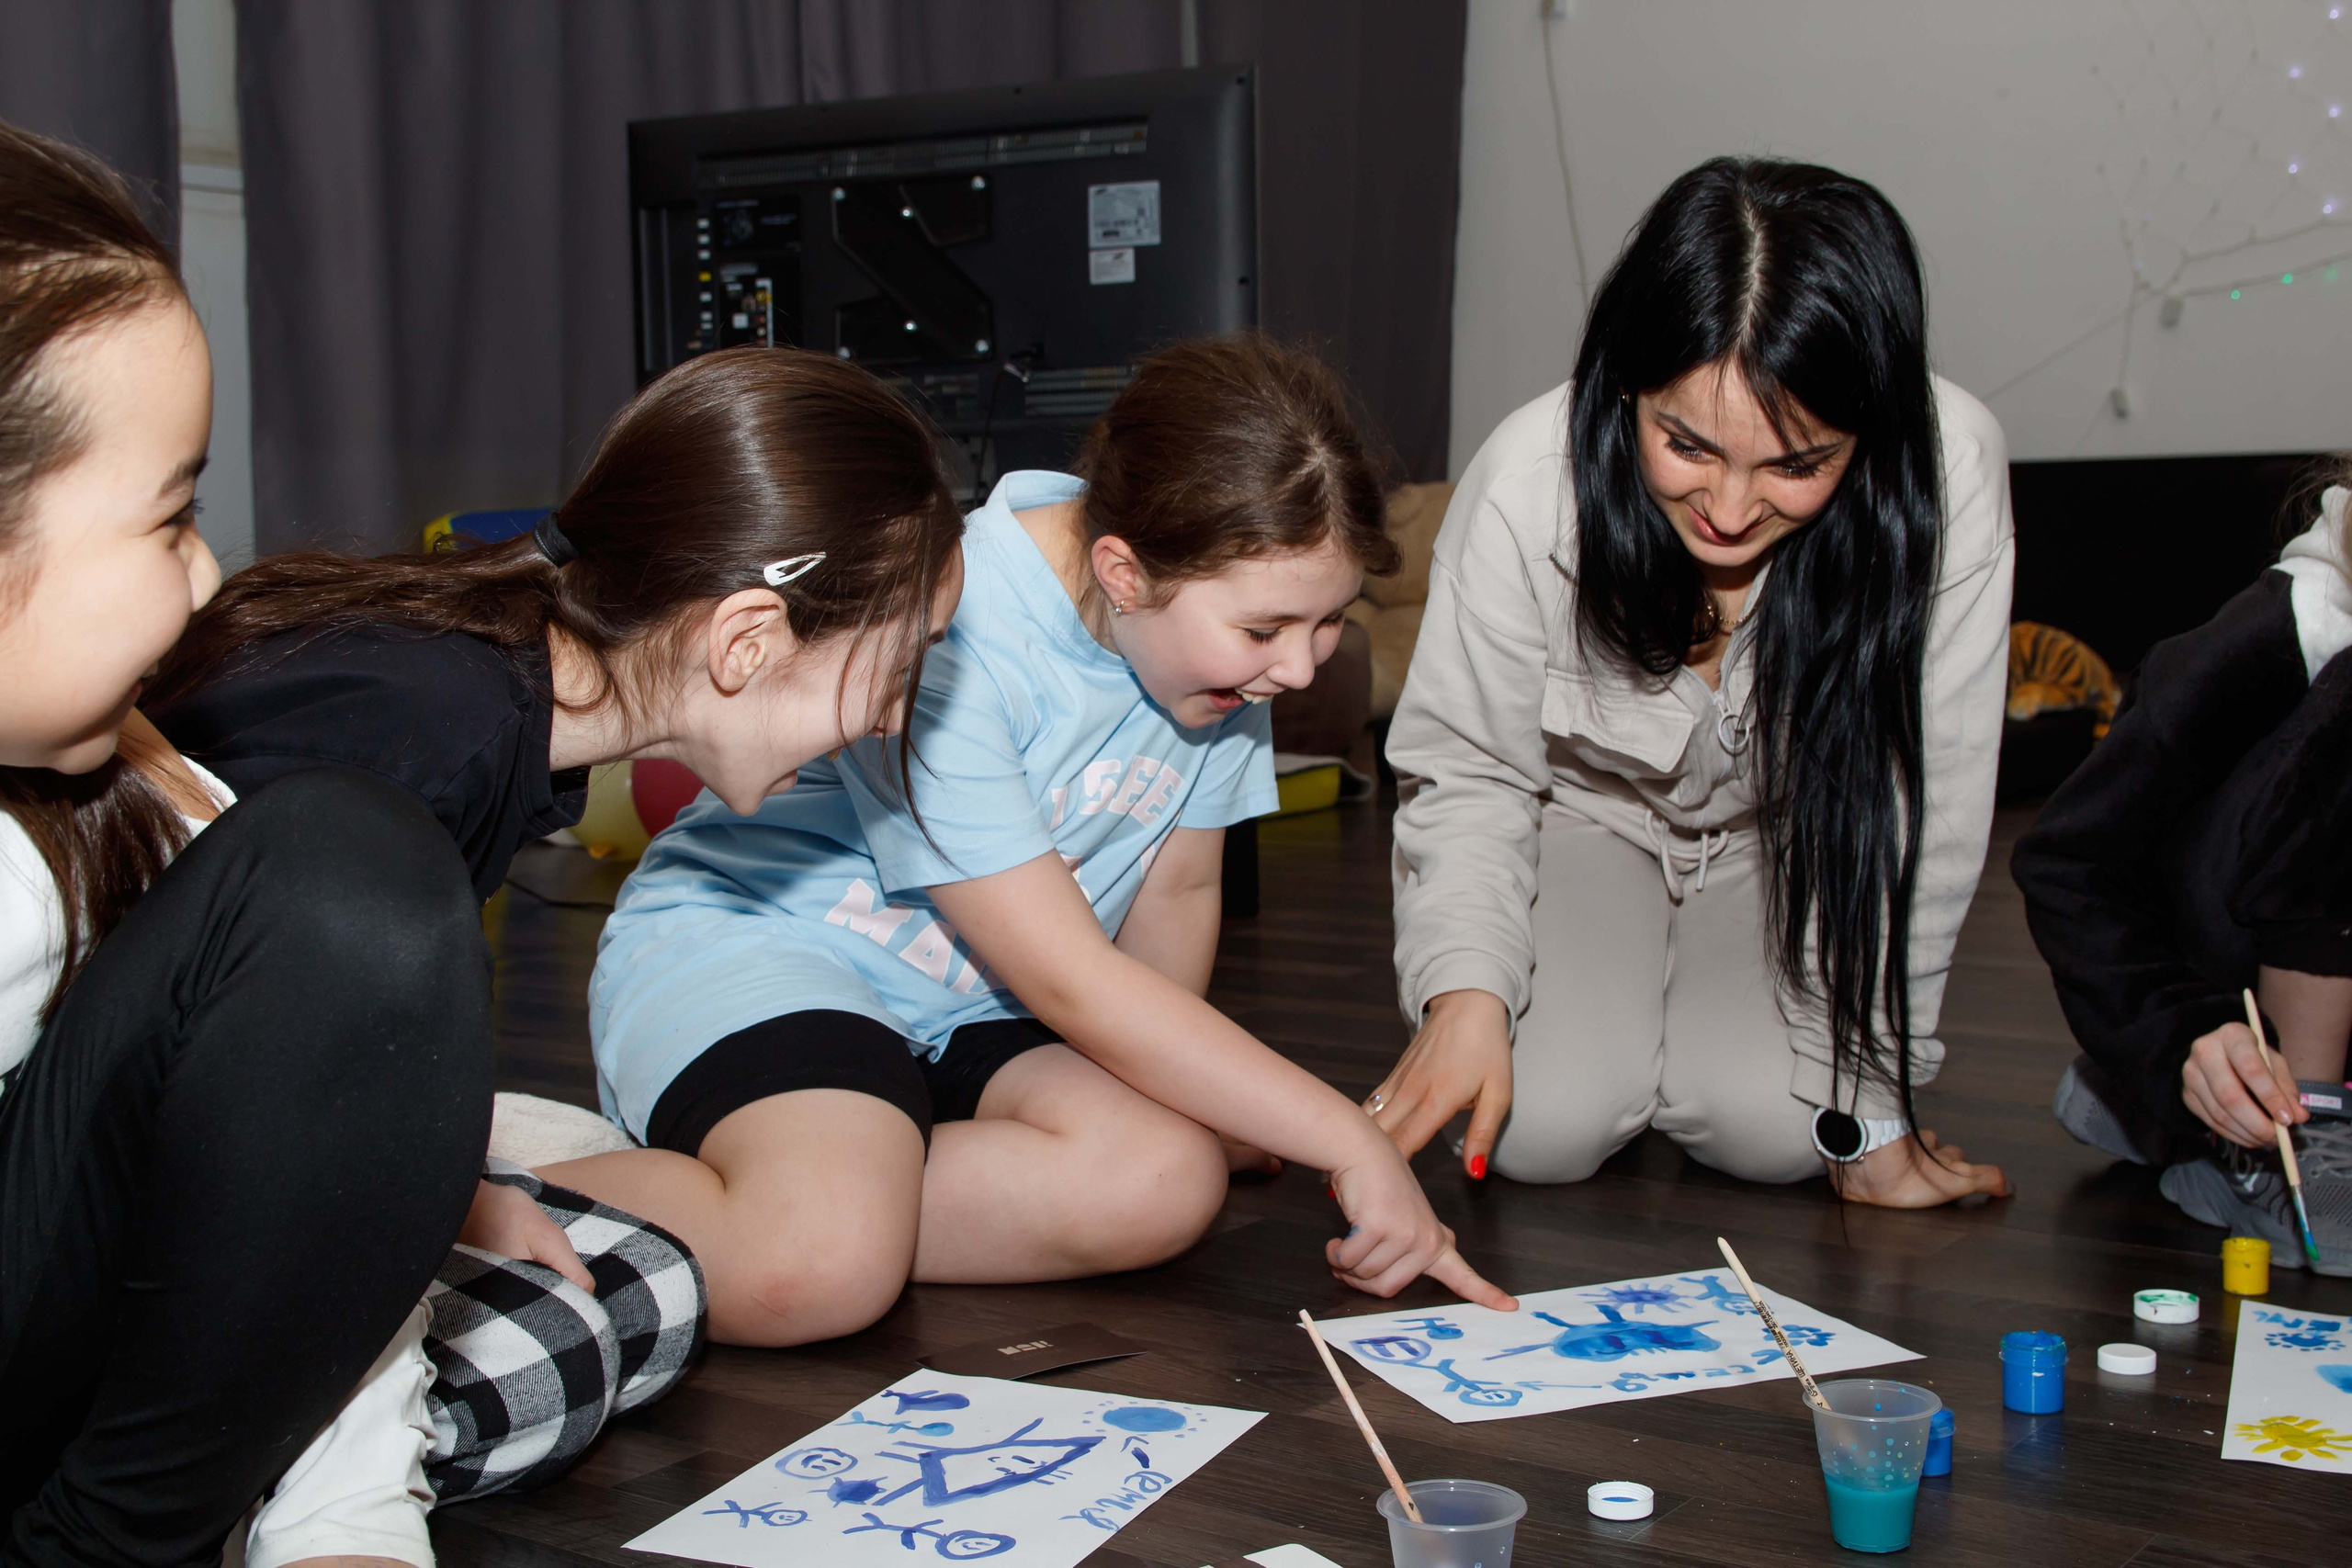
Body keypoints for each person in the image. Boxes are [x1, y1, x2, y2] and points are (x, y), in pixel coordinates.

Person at [548, 334, 1515, 1348]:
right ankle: (500, 1193)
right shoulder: (947, 622)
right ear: (1123, 572)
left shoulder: (1223, 664)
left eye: (1328, 622)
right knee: (816, 1270)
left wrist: (1193, 1097)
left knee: (1164, 1178)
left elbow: (1178, 894)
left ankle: (818, 1181)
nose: (1303, 669)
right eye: (1268, 630)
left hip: (972, 1008)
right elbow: (1073, 983)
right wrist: (1347, 1140)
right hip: (767, 955)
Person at [145, 345, 967, 1534]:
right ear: (745, 640)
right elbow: (233, 1105)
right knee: (582, 1331)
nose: (892, 722)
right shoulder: (433, 743)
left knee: (644, 1275)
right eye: (895, 674)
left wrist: (455, 1188)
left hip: (208, 1148)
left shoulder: (490, 704)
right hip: (122, 1211)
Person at [0, 119, 489, 1565]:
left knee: (346, 878)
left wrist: (349, 1524)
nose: (211, 572)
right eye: (172, 517)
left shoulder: (131, 779)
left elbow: (322, 1128)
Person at [1371, 157, 2015, 1207]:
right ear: (1627, 381)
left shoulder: (1951, 480)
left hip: (1785, 842)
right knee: (1534, 1128)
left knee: (1787, 1136)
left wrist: (1874, 1110)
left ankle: (1682, 1045)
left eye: (1795, 465)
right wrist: (1465, 995)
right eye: (1685, 444)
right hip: (1577, 819)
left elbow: (1919, 803)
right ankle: (1611, 1034)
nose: (1727, 507)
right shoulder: (1527, 487)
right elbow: (1471, 772)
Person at [2015, 482, 2352, 1273]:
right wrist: (2178, 1035)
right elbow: (2068, 863)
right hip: (2222, 949)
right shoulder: (2273, 634)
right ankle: (2294, 1121)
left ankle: (2146, 1105)